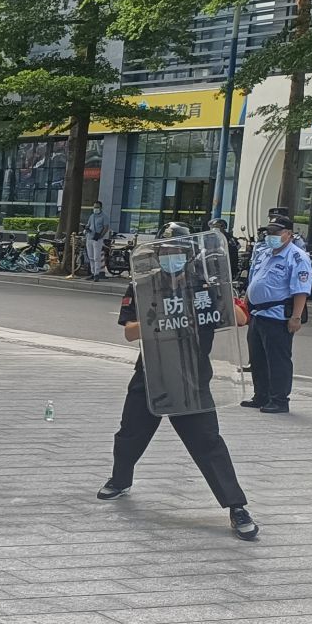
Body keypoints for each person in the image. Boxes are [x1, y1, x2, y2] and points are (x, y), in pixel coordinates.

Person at [100, 224, 259, 541]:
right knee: (130, 431)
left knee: (208, 442)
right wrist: (157, 319)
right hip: (152, 373)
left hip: (191, 376)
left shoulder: (204, 286)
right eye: (166, 251)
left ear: (189, 255)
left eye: (178, 251)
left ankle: (236, 506)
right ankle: (120, 479)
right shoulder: (144, 284)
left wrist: (220, 291)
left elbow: (240, 319)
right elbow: (129, 332)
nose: (171, 256)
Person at [242, 218, 311, 413]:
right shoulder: (265, 253)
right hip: (257, 313)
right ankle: (261, 395)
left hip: (277, 316)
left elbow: (301, 290)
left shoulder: (297, 257)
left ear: (289, 234)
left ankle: (279, 400)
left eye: (276, 233)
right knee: (257, 358)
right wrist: (247, 301)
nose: (271, 236)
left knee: (277, 360)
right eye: (269, 232)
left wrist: (296, 317)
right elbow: (255, 279)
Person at [85, 201, 109, 280]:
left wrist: (100, 235)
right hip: (89, 237)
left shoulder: (104, 216)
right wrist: (86, 228)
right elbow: (88, 225)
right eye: (94, 207)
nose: (95, 209)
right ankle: (92, 272)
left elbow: (106, 227)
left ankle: (97, 274)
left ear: (101, 208)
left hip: (97, 239)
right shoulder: (92, 216)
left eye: (97, 207)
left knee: (96, 257)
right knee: (91, 256)